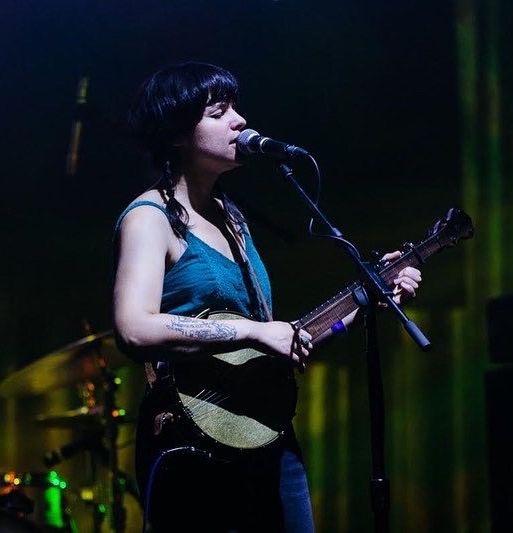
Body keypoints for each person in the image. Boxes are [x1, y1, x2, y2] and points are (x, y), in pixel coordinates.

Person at [112, 62, 422, 532]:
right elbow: (134, 328)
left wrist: (367, 299)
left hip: (267, 434)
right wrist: (252, 330)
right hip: (190, 443)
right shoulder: (149, 218)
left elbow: (278, 343)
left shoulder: (233, 220)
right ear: (176, 133)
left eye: (236, 108)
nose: (239, 120)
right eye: (219, 113)